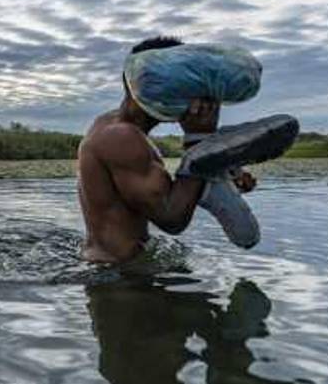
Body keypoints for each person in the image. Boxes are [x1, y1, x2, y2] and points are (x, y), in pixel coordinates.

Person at [77, 36, 256, 263]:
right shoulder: (121, 137)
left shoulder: (111, 124)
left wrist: (220, 173)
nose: (194, 98)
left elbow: (163, 192)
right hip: (122, 276)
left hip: (118, 267)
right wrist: (198, 139)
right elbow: (172, 218)